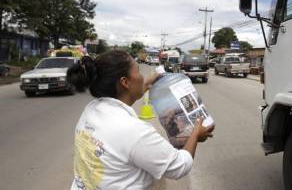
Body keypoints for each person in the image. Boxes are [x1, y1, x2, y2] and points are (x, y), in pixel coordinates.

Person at [67, 50, 214, 190]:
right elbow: (179, 167)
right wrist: (195, 134)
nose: (142, 77)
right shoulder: (134, 131)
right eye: (138, 71)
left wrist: (147, 84)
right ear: (125, 82)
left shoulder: (91, 109)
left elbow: (124, 98)